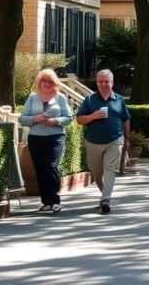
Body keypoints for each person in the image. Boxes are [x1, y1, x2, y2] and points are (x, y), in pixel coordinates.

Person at [75, 69, 131, 214]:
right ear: (97, 83)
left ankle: (106, 198)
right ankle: (104, 195)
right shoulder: (89, 99)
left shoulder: (119, 100)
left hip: (115, 140)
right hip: (93, 142)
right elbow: (79, 119)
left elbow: (125, 119)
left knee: (110, 169)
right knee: (97, 173)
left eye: (107, 81)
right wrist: (93, 116)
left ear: (112, 83)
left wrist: (127, 138)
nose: (104, 84)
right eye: (101, 81)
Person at [19, 68, 73, 213]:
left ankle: (55, 200)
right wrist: (35, 119)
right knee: (40, 169)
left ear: (54, 82)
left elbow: (69, 118)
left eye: (50, 81)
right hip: (36, 138)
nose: (47, 84)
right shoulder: (32, 97)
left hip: (55, 137)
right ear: (39, 82)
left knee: (51, 166)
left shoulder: (60, 97)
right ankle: (46, 202)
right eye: (44, 81)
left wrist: (56, 120)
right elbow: (22, 118)